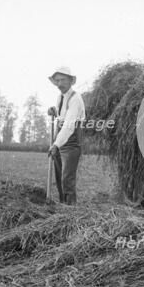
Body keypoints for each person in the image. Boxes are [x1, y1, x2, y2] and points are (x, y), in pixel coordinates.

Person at [47, 66, 86, 205]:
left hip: (71, 142)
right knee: (58, 177)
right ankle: (62, 206)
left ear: (70, 81)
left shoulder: (76, 99)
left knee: (67, 179)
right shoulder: (60, 97)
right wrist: (54, 111)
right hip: (60, 138)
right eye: (57, 80)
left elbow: (69, 126)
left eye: (63, 80)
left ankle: (70, 211)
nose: (59, 84)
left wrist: (56, 144)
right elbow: (62, 116)